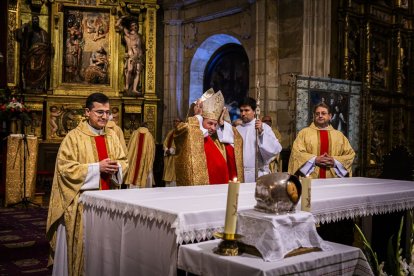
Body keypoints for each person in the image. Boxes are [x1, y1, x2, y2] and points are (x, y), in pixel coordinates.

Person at [46, 92, 128, 276]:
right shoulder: (73, 137)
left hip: (109, 202)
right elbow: (65, 169)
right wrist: (96, 168)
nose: (104, 117)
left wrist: (117, 168)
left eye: (107, 112)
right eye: (99, 112)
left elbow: (123, 160)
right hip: (81, 205)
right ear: (87, 112)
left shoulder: (112, 136)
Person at [174, 90, 244, 185]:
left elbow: (234, 145)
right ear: (201, 120)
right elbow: (186, 132)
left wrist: (223, 125)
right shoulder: (185, 130)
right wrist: (197, 117)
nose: (213, 128)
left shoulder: (217, 141)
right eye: (210, 123)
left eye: (215, 125)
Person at [288, 102, 355, 179]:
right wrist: (314, 160)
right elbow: (296, 153)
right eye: (317, 114)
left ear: (330, 116)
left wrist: (335, 161)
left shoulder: (339, 135)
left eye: (323, 113)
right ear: (314, 116)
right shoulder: (304, 133)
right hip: (310, 179)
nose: (320, 116)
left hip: (333, 179)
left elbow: (350, 155)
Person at [236, 97, 282, 183]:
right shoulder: (237, 129)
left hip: (258, 173)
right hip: (240, 174)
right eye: (241, 110)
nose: (243, 113)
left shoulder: (263, 127)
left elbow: (276, 148)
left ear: (254, 111)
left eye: (246, 110)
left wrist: (261, 134)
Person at [15, 15, 51, 91]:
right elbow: (19, 37)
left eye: (36, 20)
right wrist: (23, 28)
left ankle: (39, 86)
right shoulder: (28, 32)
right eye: (34, 20)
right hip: (31, 54)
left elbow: (46, 45)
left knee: (42, 68)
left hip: (41, 55)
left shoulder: (43, 32)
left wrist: (43, 47)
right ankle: (30, 85)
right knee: (30, 68)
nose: (35, 21)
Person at [116, 16, 145, 95]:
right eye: (133, 25)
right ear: (130, 27)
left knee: (138, 72)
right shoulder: (128, 35)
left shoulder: (139, 36)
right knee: (129, 70)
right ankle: (127, 86)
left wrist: (141, 55)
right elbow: (117, 25)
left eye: (136, 25)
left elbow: (141, 47)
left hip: (139, 56)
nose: (135, 27)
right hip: (131, 55)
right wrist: (122, 18)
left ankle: (135, 89)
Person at [124, 122, 156, 188]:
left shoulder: (135, 133)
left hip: (134, 160)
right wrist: (150, 160)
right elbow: (151, 150)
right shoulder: (149, 135)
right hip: (144, 160)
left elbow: (130, 146)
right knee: (144, 172)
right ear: (147, 127)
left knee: (133, 173)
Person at [162, 118, 182, 187]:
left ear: (180, 122)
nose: (175, 123)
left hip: (175, 157)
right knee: (167, 175)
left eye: (177, 121)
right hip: (168, 157)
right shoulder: (171, 132)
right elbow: (165, 142)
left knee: (174, 175)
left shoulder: (181, 132)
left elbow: (180, 144)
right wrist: (166, 149)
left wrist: (171, 150)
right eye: (174, 121)